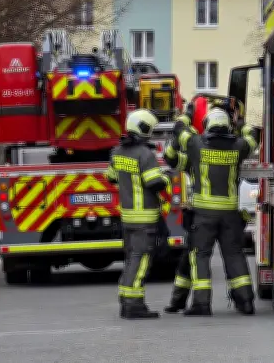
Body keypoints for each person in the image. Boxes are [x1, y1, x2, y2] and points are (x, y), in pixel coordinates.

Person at [163, 106, 258, 316]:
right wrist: (241, 122)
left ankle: (201, 304)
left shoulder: (196, 145)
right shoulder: (239, 147)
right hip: (230, 215)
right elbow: (253, 137)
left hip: (204, 215)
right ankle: (246, 302)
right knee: (234, 256)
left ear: (207, 125)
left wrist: (188, 113)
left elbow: (180, 130)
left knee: (200, 256)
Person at [104, 109, 170, 320]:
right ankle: (134, 305)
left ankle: (126, 300)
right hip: (145, 217)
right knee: (140, 261)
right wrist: (166, 177)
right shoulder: (145, 154)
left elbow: (111, 177)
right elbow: (154, 183)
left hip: (128, 217)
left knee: (131, 259)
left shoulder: (117, 151)